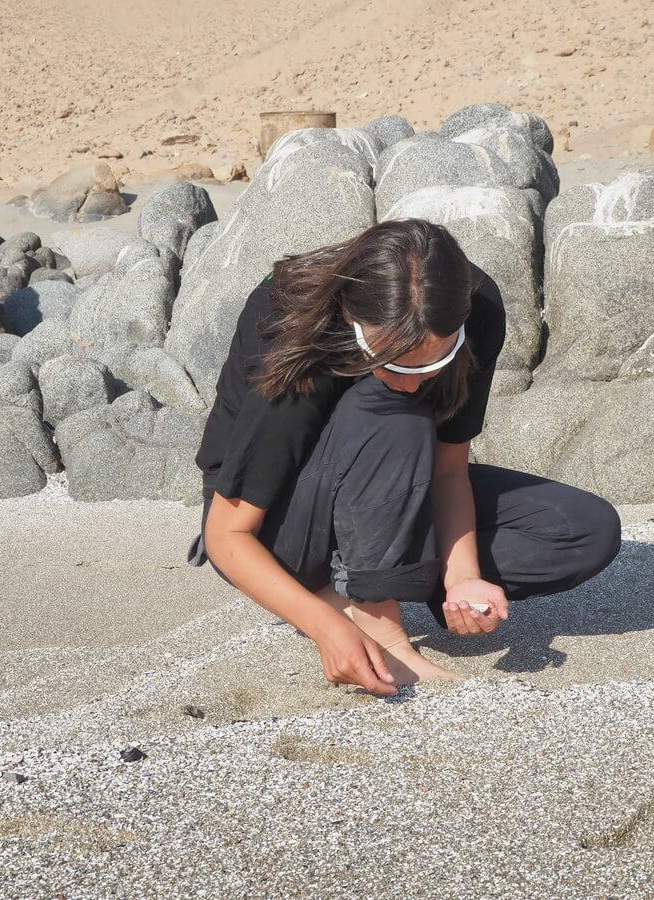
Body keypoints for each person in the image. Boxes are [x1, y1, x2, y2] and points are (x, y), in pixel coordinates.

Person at [186, 218, 622, 697]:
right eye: (392, 362)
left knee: (584, 529)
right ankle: (375, 622)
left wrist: (464, 579)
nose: (416, 381)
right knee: (390, 406)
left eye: (434, 364)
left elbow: (449, 469)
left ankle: (369, 582)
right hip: (275, 525)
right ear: (354, 322)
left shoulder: (475, 307)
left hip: (387, 489)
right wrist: (326, 630)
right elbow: (227, 536)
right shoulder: (290, 325)